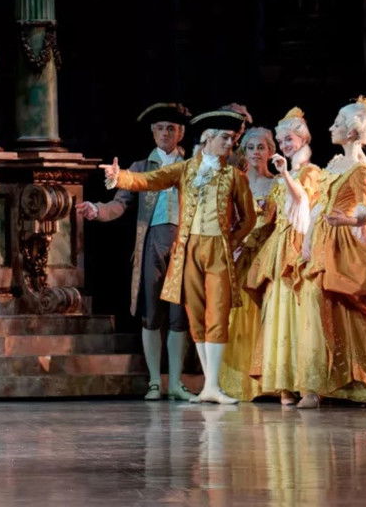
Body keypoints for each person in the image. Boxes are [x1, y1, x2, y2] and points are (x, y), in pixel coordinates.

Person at [100, 108, 257, 404]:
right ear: (208, 138)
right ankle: (204, 386)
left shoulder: (235, 176)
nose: (230, 144)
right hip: (188, 249)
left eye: (232, 139)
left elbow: (248, 218)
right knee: (194, 316)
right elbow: (150, 180)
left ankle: (212, 384)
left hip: (217, 251)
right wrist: (119, 177)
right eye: (225, 138)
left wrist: (229, 241)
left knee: (216, 313)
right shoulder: (186, 170)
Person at [76, 103, 194, 401]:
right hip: (152, 243)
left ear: (180, 132)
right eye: (160, 128)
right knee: (151, 313)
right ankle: (154, 380)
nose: (165, 133)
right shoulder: (141, 167)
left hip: (184, 245)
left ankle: (176, 382)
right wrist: (97, 209)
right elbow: (120, 204)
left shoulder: (192, 166)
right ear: (152, 133)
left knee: (180, 315)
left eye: (171, 128)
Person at [245, 108, 326, 407]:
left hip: (300, 242)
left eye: (288, 139)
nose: (284, 145)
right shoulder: (283, 176)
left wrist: (285, 175)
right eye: (280, 141)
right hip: (279, 245)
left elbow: (303, 201)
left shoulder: (311, 171)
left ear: (302, 138)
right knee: (277, 309)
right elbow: (270, 216)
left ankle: (308, 386)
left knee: (300, 312)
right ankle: (284, 383)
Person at [302, 98, 366, 405]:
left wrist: (344, 220)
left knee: (347, 306)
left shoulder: (362, 170)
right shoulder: (334, 163)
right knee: (317, 306)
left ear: (352, 132)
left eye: (337, 124)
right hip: (323, 237)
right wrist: (308, 237)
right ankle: (320, 383)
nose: (331, 127)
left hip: (343, 242)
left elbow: (364, 213)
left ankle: (360, 379)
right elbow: (319, 203)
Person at [218, 126, 275, 401]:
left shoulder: (277, 184)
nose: (255, 152)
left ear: (270, 151)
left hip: (266, 256)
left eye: (261, 147)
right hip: (239, 255)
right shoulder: (235, 182)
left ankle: (268, 381)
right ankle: (238, 381)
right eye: (250, 148)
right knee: (238, 315)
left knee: (266, 314)